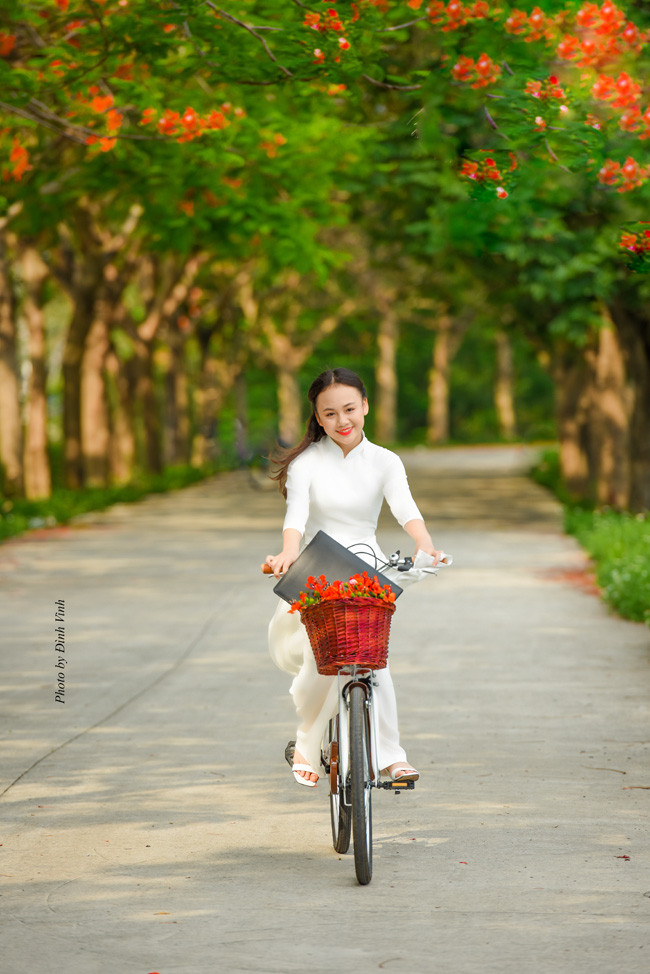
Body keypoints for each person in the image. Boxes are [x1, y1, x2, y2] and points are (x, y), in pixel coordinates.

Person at [265, 367, 443, 786]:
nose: (342, 420)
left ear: (365, 406)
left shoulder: (385, 460)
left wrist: (427, 545)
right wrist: (289, 553)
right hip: (317, 565)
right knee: (320, 656)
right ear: (319, 418)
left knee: (372, 657)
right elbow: (297, 518)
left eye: (349, 409)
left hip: (366, 561)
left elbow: (405, 508)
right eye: (330, 413)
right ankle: (308, 742)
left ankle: (392, 757)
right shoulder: (306, 463)